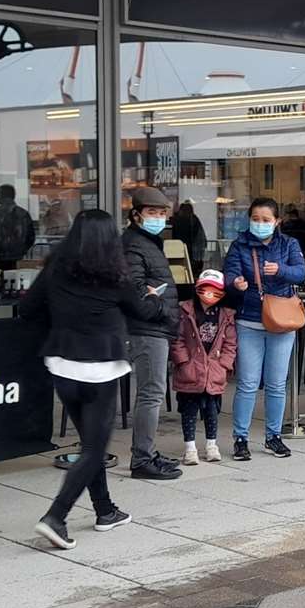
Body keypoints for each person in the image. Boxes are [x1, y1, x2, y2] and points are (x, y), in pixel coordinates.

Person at [19, 209, 152, 550]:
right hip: (101, 368)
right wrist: (153, 299)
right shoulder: (115, 276)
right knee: (94, 449)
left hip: (63, 364)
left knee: (90, 444)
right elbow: (140, 311)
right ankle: (56, 516)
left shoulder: (55, 269)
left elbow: (28, 308)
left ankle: (104, 510)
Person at [224, 197, 305, 458]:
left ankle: (274, 435)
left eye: (266, 220)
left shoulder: (288, 244)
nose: (260, 224)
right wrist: (235, 282)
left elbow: (301, 272)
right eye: (256, 219)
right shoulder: (239, 245)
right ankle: (241, 438)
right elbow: (228, 274)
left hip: (282, 321)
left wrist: (280, 270)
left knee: (276, 383)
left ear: (277, 222)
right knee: (248, 383)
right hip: (249, 319)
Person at [122, 188, 181, 480]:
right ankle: (142, 460)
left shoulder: (148, 242)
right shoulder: (134, 245)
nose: (158, 218)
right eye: (151, 213)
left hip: (157, 327)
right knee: (151, 394)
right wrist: (159, 305)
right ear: (136, 215)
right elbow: (137, 295)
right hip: (147, 329)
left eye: (161, 213)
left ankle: (148, 452)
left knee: (153, 392)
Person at [171, 270, 236, 465]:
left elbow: (230, 343)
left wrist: (223, 364)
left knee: (212, 411)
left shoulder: (225, 315)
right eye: (206, 290)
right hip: (190, 370)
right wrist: (183, 361)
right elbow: (177, 339)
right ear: (198, 289)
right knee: (189, 410)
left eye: (216, 291)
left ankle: (211, 445)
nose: (210, 295)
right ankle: (190, 447)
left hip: (214, 371)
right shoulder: (186, 312)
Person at [0, 184, 37, 267]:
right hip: (17, 256)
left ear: (3, 196)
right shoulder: (24, 214)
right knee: (13, 277)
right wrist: (22, 250)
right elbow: (30, 237)